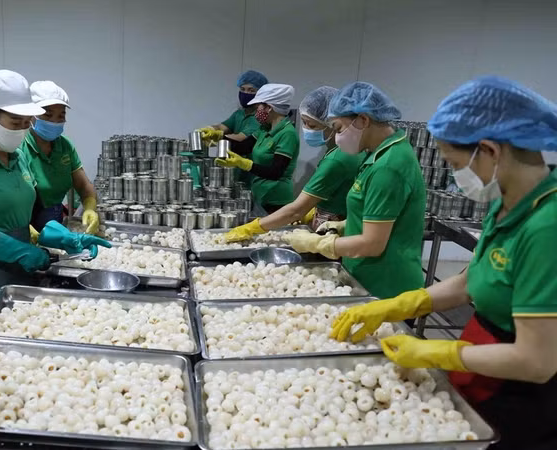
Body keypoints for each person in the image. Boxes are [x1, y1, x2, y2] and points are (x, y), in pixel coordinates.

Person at [331, 76, 557, 449]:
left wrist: (442, 351)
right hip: (481, 368)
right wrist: (405, 304)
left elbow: (536, 361)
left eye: (454, 163)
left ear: (489, 150)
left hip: (520, 396)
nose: (455, 176)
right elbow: (472, 281)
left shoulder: (546, 227)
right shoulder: (507, 201)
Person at [0, 70, 109, 327]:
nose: (22, 129)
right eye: (15, 122)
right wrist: (17, 250)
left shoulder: (17, 158)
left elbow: (34, 215)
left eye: (27, 122)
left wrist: (66, 239)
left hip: (22, 271)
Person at [286, 82, 425, 299]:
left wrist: (317, 243)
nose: (337, 136)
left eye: (339, 128)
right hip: (365, 275)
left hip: (385, 285)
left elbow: (372, 244)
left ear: (363, 119)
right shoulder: (378, 154)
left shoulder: (388, 166)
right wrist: (345, 225)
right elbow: (380, 217)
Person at [223, 86, 364, 242]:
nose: (306, 130)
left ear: (332, 125)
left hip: (334, 230)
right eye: (304, 123)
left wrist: (251, 228)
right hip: (330, 223)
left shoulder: (337, 158)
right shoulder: (339, 151)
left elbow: (295, 208)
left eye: (312, 125)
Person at [22, 81, 99, 233]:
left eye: (61, 115)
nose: (55, 121)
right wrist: (25, 230)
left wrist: (90, 207)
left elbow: (83, 185)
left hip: (54, 221)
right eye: (48, 115)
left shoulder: (65, 146)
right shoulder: (19, 148)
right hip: (24, 225)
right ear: (30, 115)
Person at [215, 83, 299, 214]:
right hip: (260, 195)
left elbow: (275, 172)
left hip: (276, 201)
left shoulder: (287, 133)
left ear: (269, 108)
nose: (256, 111)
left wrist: (245, 164)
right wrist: (218, 137)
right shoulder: (264, 128)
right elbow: (244, 147)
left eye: (258, 106)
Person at [199, 69, 268, 143]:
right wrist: (211, 129)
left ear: (261, 93)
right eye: (242, 89)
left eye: (251, 90)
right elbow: (222, 127)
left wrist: (219, 136)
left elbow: (241, 138)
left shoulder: (260, 117)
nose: (245, 93)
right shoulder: (239, 114)